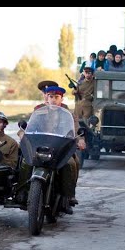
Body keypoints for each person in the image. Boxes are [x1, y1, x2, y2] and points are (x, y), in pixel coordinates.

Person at [44, 85, 86, 213]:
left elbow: (76, 129)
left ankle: (68, 196)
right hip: (43, 147)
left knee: (72, 163)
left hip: (61, 148)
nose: (53, 100)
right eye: (51, 97)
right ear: (47, 97)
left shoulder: (68, 114)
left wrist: (80, 139)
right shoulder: (40, 111)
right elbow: (29, 126)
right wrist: (23, 134)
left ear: (61, 98)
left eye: (56, 97)